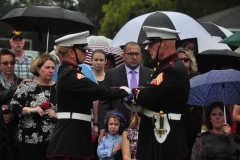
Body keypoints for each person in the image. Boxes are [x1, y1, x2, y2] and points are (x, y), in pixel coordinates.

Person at [46, 31, 129, 160]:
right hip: (70, 136)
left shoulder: (71, 73)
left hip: (76, 132)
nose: (86, 53)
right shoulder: (71, 75)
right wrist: (125, 91)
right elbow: (99, 91)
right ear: (71, 52)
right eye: (82, 50)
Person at [126, 26, 190, 160]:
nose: (148, 48)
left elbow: (145, 97)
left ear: (164, 44)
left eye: (151, 44)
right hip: (159, 132)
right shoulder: (166, 67)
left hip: (163, 137)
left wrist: (134, 92)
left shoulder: (171, 70)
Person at [98, 41, 153, 143]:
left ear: (141, 56)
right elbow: (104, 102)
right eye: (130, 54)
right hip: (117, 128)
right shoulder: (112, 74)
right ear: (123, 56)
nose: (134, 57)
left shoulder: (151, 74)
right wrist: (102, 127)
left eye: (136, 54)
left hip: (144, 126)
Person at [9, 54, 58, 160]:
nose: (51, 71)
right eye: (47, 67)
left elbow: (67, 109)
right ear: (38, 69)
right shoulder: (27, 86)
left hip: (54, 140)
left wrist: (56, 115)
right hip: (30, 139)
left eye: (53, 68)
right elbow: (13, 106)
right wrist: (31, 110)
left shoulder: (58, 88)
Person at [177, 47, 202, 160]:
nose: (182, 62)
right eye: (180, 60)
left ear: (191, 61)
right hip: (176, 122)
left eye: (185, 59)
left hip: (194, 121)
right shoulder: (172, 76)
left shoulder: (198, 77)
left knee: (193, 153)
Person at [0, 49, 23, 160]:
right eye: (5, 63)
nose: (9, 65)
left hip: (17, 136)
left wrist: (14, 114)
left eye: (12, 62)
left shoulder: (21, 81)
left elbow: (26, 105)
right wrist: (16, 89)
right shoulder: (19, 86)